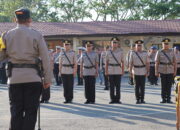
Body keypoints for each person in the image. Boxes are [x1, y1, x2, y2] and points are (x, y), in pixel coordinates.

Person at [0, 8, 51, 130]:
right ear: (29, 20)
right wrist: (47, 79)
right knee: (30, 111)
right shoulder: (37, 35)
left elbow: (1, 56)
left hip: (14, 79)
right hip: (33, 78)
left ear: (14, 20)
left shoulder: (5, 35)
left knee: (16, 111)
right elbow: (45, 58)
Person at [155, 38, 176, 103]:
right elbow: (157, 62)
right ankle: (163, 98)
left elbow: (175, 62)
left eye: (167, 44)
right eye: (164, 44)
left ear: (168, 44)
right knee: (163, 85)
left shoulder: (172, 51)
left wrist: (175, 71)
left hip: (170, 70)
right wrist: (156, 71)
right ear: (162, 44)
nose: (166, 45)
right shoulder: (159, 52)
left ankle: (169, 99)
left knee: (169, 85)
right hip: (162, 70)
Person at [105, 37, 124, 104]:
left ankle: (118, 99)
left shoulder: (121, 51)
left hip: (118, 70)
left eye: (116, 42)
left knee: (118, 86)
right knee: (111, 86)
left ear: (118, 44)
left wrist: (122, 70)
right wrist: (106, 71)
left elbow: (122, 62)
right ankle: (112, 99)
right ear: (111, 43)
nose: (115, 44)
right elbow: (106, 62)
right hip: (110, 70)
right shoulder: (108, 52)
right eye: (113, 42)